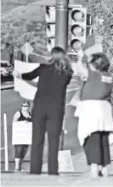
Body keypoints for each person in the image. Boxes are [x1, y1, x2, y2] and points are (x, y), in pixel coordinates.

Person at [13, 47, 73, 175]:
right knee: (53, 141)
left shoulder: (43, 68)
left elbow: (29, 76)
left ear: (52, 56)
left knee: (37, 140)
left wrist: (18, 75)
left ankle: (35, 170)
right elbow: (59, 84)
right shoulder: (67, 72)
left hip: (40, 107)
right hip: (56, 109)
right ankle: (52, 171)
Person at [74, 53, 113, 178]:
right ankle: (104, 168)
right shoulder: (109, 76)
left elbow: (79, 68)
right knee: (102, 139)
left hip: (91, 109)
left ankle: (94, 168)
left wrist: (80, 57)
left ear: (94, 65)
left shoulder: (93, 75)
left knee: (91, 139)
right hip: (105, 110)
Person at [13, 101, 32, 171]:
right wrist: (23, 123)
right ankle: (17, 167)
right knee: (18, 150)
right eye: (23, 105)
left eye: (26, 106)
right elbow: (14, 123)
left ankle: (20, 166)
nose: (24, 107)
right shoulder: (18, 113)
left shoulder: (30, 114)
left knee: (24, 151)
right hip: (19, 135)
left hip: (26, 136)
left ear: (28, 107)